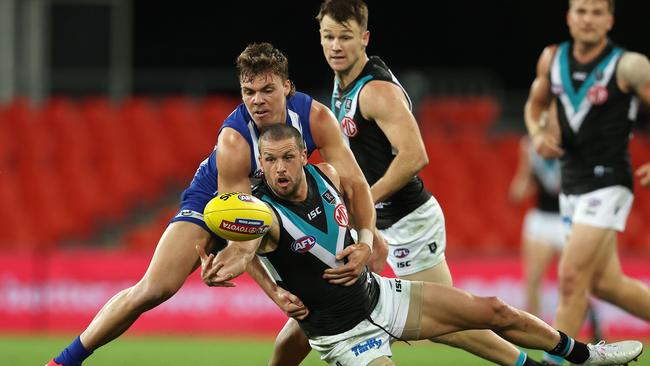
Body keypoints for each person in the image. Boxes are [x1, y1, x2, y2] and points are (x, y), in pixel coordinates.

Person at [46, 42, 382, 366]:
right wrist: (274, 292)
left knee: (353, 212)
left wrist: (366, 240)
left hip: (275, 204)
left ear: (287, 87)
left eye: (267, 90)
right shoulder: (234, 140)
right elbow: (242, 225)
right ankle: (67, 360)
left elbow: (353, 183)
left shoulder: (315, 118)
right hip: (216, 203)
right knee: (155, 288)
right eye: (248, 92)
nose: (257, 100)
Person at [198, 123, 643, 366]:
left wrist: (369, 239)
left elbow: (358, 205)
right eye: (269, 160)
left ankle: (585, 355)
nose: (279, 168)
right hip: (347, 336)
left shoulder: (328, 176)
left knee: (494, 310)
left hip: (383, 297)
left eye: (288, 157)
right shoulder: (260, 215)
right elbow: (242, 250)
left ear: (303, 156)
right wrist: (223, 266)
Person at [269, 1, 546, 365]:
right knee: (320, 308)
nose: (336, 46)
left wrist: (362, 202)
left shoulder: (375, 91)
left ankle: (533, 362)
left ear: (364, 38)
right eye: (328, 37)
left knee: (453, 323)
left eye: (345, 37)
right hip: (380, 224)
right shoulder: (342, 84)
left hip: (407, 221)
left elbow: (415, 156)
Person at [523, 0, 650, 364]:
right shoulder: (551, 59)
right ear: (568, 17)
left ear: (610, 20)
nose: (588, 19)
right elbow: (534, 105)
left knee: (571, 275)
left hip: (609, 182)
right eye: (581, 11)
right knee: (605, 284)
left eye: (597, 12)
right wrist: (536, 134)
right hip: (572, 184)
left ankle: (557, 361)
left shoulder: (629, 65)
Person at [508, 134, 602, 341]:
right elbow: (524, 181)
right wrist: (519, 187)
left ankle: (591, 327)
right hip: (541, 219)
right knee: (533, 279)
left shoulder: (573, 141)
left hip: (568, 219)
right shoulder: (531, 146)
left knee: (575, 280)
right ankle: (535, 333)